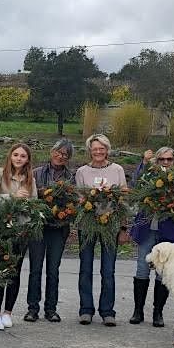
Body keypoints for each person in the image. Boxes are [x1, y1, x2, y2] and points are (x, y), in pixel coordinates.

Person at [74, 133, 128, 326]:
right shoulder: (82, 171)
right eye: (95, 148)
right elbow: (79, 199)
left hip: (110, 224)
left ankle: (107, 311)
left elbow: (123, 200)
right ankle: (86, 309)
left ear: (107, 150)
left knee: (108, 269)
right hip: (88, 224)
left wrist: (123, 227)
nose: (98, 151)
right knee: (85, 268)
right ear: (90, 150)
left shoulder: (117, 169)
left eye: (101, 148)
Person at [129, 146, 174, 327]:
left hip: (169, 231)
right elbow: (135, 185)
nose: (166, 162)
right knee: (142, 269)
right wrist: (144, 163)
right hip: (147, 229)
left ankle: (158, 312)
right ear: (157, 160)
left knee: (163, 273)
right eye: (162, 159)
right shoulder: (149, 175)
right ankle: (138, 311)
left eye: (169, 159)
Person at [0, 142, 38, 330]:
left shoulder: (30, 180)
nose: (19, 158)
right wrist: (13, 197)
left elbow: (34, 205)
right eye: (16, 155)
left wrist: (27, 205)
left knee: (14, 271)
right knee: (0, 271)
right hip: (2, 230)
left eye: (23, 156)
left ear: (27, 160)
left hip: (21, 230)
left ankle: (7, 312)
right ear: (10, 156)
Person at [25, 139, 75, 323]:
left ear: (68, 158)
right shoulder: (36, 173)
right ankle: (32, 308)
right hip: (38, 226)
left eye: (65, 154)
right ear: (51, 152)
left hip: (58, 228)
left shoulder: (71, 177)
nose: (60, 156)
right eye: (58, 152)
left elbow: (73, 202)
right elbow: (29, 199)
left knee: (53, 270)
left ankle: (51, 309)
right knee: (35, 269)